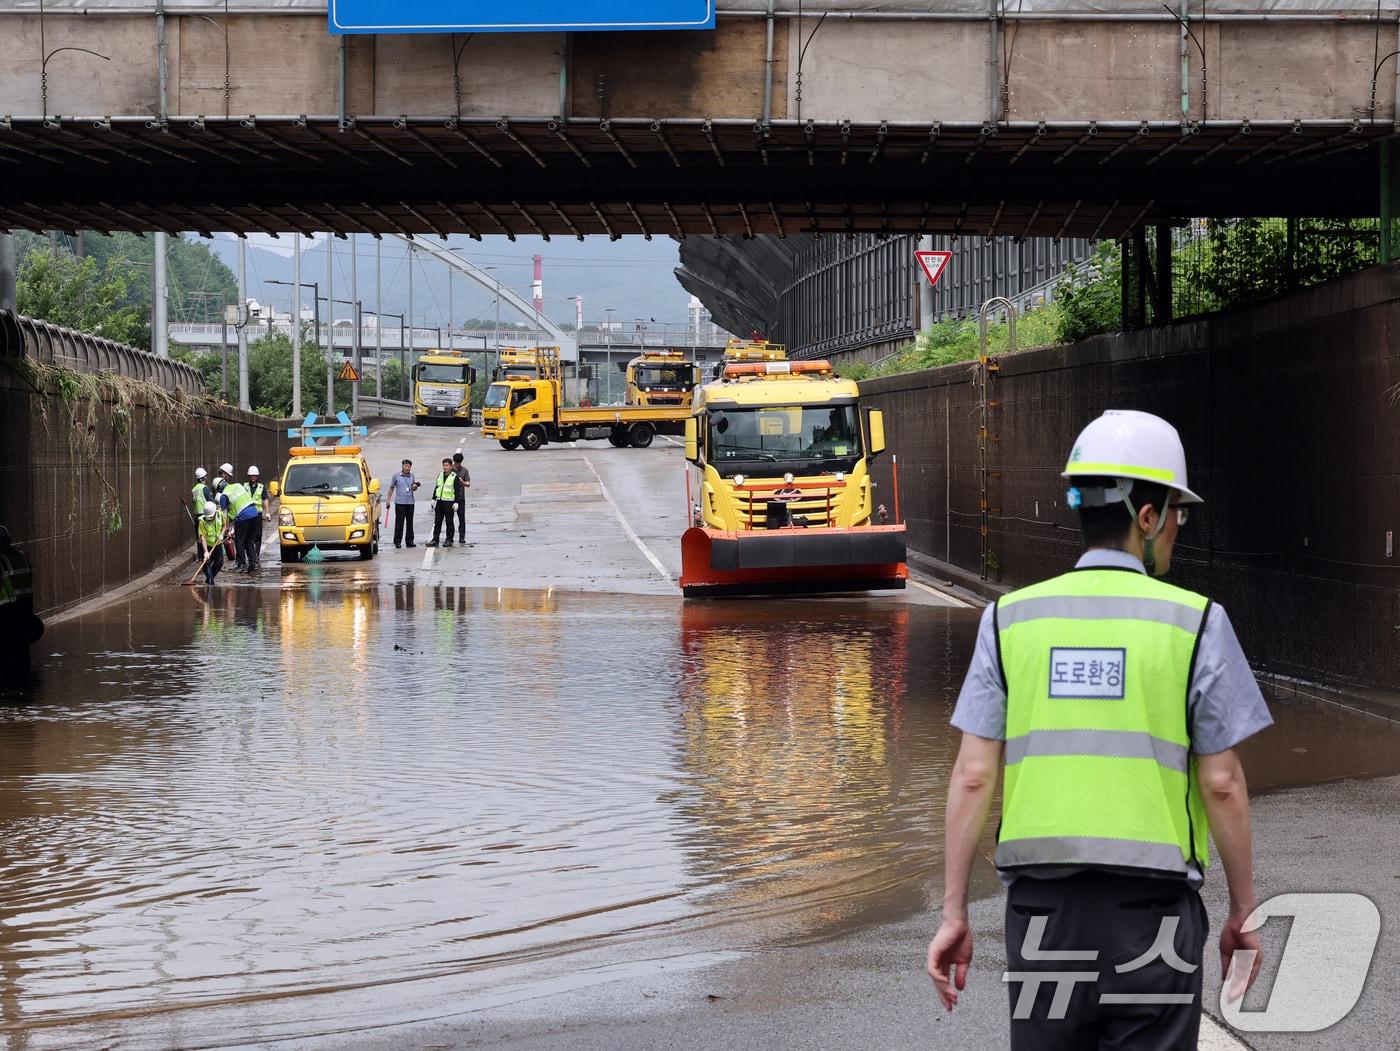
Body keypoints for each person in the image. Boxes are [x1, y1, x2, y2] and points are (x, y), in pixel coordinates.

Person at [926, 410, 1271, 1050]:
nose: (1178, 529)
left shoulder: (1010, 620)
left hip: (1043, 916)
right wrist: (1243, 912)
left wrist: (954, 911)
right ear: (1148, 517)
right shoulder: (1196, 623)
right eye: (1177, 513)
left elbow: (973, 775)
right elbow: (1222, 783)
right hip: (1154, 919)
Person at [0, 524, 42, 674]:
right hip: (25, 607)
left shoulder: (1, 560)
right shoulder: (22, 556)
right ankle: (23, 675)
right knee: (22, 648)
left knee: (7, 648)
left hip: (8, 609)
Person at [220, 475, 260, 573]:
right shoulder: (238, 485)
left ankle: (242, 564)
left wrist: (226, 530)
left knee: (239, 542)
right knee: (249, 540)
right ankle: (253, 563)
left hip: (243, 517)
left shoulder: (224, 495)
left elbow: (225, 516)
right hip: (254, 513)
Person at [386, 459, 420, 548]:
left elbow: (413, 488)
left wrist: (415, 487)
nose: (407, 468)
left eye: (409, 466)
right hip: (400, 503)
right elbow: (391, 488)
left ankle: (409, 541)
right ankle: (397, 541)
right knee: (399, 523)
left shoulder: (412, 476)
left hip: (410, 502)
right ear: (402, 466)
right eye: (406, 466)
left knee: (410, 523)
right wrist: (388, 500)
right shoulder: (396, 476)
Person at [426, 458, 459, 548]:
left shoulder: (454, 476)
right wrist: (433, 499)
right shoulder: (440, 475)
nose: (445, 467)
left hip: (449, 503)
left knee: (449, 522)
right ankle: (435, 540)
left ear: (451, 466)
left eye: (447, 465)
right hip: (440, 502)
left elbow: (457, 490)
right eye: (444, 465)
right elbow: (437, 487)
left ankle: (449, 540)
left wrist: (456, 502)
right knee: (437, 522)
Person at [196, 501, 229, 585]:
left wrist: (222, 534)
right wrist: (206, 552)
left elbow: (224, 525)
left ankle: (210, 579)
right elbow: (203, 537)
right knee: (206, 563)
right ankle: (211, 582)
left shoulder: (220, 515)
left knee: (219, 563)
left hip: (217, 544)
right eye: (208, 517)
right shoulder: (202, 522)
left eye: (211, 517)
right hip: (205, 545)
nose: (209, 518)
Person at [245, 466, 268, 573]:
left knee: (258, 535)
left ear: (257, 476)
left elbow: (265, 499)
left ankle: (256, 555)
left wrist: (267, 512)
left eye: (254, 475)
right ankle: (251, 555)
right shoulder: (244, 486)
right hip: (247, 514)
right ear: (249, 476)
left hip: (257, 514)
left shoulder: (261, 487)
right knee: (249, 535)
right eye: (251, 475)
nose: (253, 477)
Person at [191, 467, 212, 560]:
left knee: (199, 537)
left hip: (196, 515)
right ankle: (207, 554)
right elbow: (210, 500)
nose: (206, 478)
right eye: (205, 476)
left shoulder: (194, 489)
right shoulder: (204, 488)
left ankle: (200, 557)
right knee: (207, 536)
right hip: (204, 515)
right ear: (203, 478)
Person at [452, 451, 472, 544]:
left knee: (461, 518)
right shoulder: (450, 470)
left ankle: (462, 537)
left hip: (460, 498)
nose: (458, 465)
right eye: (456, 463)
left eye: (459, 463)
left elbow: (468, 484)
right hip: (450, 498)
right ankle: (450, 537)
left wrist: (463, 482)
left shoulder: (464, 471)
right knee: (449, 519)